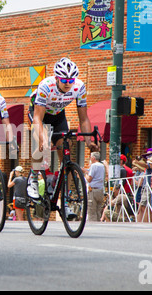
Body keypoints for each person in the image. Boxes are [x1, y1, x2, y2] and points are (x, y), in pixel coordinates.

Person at [27, 57, 98, 200]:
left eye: (71, 81)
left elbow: (83, 118)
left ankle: (64, 197)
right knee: (41, 145)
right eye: (65, 81)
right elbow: (37, 119)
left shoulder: (79, 87)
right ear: (56, 78)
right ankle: (33, 179)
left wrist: (88, 141)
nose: (68, 84)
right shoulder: (45, 86)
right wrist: (43, 139)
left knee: (66, 153)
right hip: (39, 114)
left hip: (58, 115)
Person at [83, 152, 105, 221]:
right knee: (98, 211)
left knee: (92, 211)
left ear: (93, 158)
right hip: (100, 190)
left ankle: (93, 226)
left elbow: (89, 179)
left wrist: (85, 175)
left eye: (90, 157)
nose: (89, 159)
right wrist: (86, 171)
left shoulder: (93, 165)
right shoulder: (102, 166)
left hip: (93, 191)